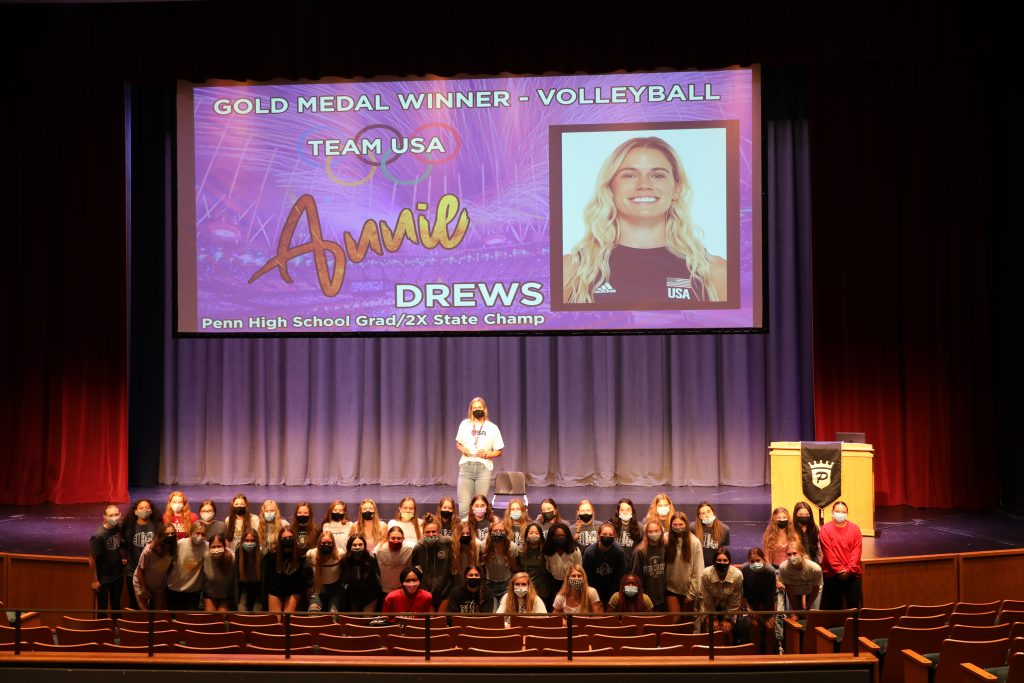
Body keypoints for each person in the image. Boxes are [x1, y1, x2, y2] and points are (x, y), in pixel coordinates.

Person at [562, 135, 727, 305]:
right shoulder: (572, 270)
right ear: (610, 188)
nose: (644, 184)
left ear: (677, 189)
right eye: (629, 175)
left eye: (657, 175)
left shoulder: (716, 273)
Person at [455, 396, 504, 519]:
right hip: (466, 468)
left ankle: (478, 534)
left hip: (483, 469)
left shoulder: (492, 427)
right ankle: (465, 535)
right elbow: (458, 443)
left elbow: (499, 451)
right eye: (475, 408)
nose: (477, 410)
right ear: (471, 410)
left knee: (480, 506)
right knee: (464, 506)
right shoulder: (464, 424)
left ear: (484, 409)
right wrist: (462, 449)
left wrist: (487, 454)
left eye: (480, 407)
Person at [818, 501, 863, 609]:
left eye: (843, 512)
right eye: (837, 511)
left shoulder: (855, 529)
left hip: (852, 574)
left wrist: (848, 570)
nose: (840, 514)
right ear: (832, 512)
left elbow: (857, 552)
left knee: (854, 608)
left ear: (847, 513)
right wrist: (839, 570)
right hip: (832, 574)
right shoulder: (825, 529)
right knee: (832, 609)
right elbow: (828, 553)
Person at [697, 547, 744, 643]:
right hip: (709, 608)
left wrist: (727, 619)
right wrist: (713, 618)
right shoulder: (706, 574)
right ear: (714, 562)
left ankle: (728, 653)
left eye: (725, 560)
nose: (722, 562)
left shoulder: (737, 576)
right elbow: (706, 599)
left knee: (727, 630)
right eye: (719, 560)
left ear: (729, 562)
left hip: (729, 610)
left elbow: (735, 601)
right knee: (711, 628)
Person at [665, 511, 703, 619]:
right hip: (671, 589)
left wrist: (692, 594)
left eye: (681, 524)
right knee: (675, 621)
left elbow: (698, 570)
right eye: (675, 525)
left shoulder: (695, 542)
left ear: (686, 525)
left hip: (688, 591)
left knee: (687, 624)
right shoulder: (666, 539)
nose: (678, 527)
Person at [89, 504, 125, 619]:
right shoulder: (99, 535)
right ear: (104, 517)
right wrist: (94, 580)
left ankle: (117, 631)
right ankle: (102, 632)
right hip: (103, 577)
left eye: (116, 515)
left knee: (116, 604)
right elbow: (92, 559)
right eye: (111, 515)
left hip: (117, 575)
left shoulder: (118, 528)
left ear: (120, 515)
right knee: (102, 607)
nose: (114, 517)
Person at [740, 547, 778, 654]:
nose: (755, 563)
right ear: (748, 561)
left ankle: (770, 655)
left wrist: (769, 616)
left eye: (758, 560)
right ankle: (755, 654)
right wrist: (752, 610)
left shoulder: (770, 571)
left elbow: (771, 596)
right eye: (752, 561)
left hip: (768, 605)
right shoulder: (745, 569)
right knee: (754, 625)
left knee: (769, 627)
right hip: (752, 605)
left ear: (763, 560)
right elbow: (746, 593)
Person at [411, 515, 454, 609]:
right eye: (427, 532)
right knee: (431, 620)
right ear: (423, 532)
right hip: (426, 592)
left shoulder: (448, 543)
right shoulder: (418, 547)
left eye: (433, 531)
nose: (431, 534)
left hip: (445, 591)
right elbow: (416, 569)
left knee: (440, 620)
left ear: (439, 532)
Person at [166, 520, 208, 611]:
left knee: (189, 620)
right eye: (197, 533)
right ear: (191, 532)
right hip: (175, 587)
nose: (200, 536)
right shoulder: (180, 543)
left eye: (203, 534)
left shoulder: (207, 546)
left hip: (193, 591)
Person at [132, 523, 176, 611]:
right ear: (161, 535)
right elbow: (140, 571)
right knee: (145, 613)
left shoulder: (173, 549)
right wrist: (143, 589)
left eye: (172, 533)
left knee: (158, 613)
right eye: (167, 534)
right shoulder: (148, 550)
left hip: (158, 585)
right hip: (141, 585)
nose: (170, 536)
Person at [262, 527, 305, 615]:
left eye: (290, 537)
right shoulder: (272, 553)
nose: (288, 540)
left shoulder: (301, 552)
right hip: (275, 587)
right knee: (275, 620)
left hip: (294, 588)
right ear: (280, 540)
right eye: (285, 538)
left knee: (287, 619)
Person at [121, 498, 155, 610]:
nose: (144, 510)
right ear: (135, 511)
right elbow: (124, 547)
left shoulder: (157, 527)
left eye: (147, 508)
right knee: (136, 604)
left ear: (151, 511)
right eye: (141, 508)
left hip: (151, 573)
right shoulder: (128, 528)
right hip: (132, 572)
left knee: (152, 604)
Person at [581, 522, 626, 606]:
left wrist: (613, 597)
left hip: (612, 591)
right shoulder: (589, 553)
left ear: (614, 537)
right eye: (604, 534)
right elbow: (588, 577)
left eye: (610, 534)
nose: (607, 536)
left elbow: (619, 576)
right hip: (594, 591)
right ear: (598, 535)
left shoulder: (619, 552)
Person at [339, 533, 381, 612]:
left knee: (366, 617)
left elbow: (377, 577)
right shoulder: (345, 559)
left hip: (370, 592)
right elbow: (343, 577)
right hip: (354, 592)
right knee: (355, 618)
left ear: (364, 545)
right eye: (354, 545)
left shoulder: (371, 557)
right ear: (350, 546)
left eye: (360, 544)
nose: (357, 547)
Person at [518, 522, 555, 610]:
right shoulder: (520, 551)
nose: (533, 535)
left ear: (541, 535)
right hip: (525, 589)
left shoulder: (546, 551)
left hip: (543, 590)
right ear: (526, 536)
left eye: (536, 533)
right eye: (531, 533)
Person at [632, 519, 668, 610]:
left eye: (656, 531)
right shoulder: (639, 551)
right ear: (646, 533)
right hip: (646, 599)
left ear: (661, 531)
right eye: (650, 531)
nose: (654, 534)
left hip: (663, 597)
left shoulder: (665, 548)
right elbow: (635, 576)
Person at [777, 541, 822, 613]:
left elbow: (815, 589)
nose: (792, 557)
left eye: (795, 553)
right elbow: (789, 590)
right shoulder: (784, 567)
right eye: (789, 554)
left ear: (802, 553)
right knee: (794, 616)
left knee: (811, 615)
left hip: (811, 592)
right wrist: (796, 611)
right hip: (794, 593)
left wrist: (808, 606)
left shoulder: (815, 568)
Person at [480, 520, 518, 601]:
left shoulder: (512, 547)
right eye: (495, 530)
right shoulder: (483, 545)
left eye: (501, 531)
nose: (498, 532)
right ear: (490, 533)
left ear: (506, 532)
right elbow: (481, 566)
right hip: (489, 584)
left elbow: (514, 568)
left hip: (506, 585)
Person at [308, 530, 344, 612]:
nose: (326, 545)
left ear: (333, 543)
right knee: (313, 613)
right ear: (319, 543)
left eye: (329, 543)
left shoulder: (340, 554)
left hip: (335, 591)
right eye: (323, 543)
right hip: (317, 590)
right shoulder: (311, 554)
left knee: (333, 615)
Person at [375, 526, 414, 594]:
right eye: (393, 538)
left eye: (399, 538)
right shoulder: (379, 549)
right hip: (383, 589)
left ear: (403, 539)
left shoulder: (409, 550)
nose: (396, 541)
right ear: (388, 538)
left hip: (401, 589)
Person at [691, 501, 731, 569]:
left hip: (715, 567)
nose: (707, 515)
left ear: (713, 512)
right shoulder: (692, 528)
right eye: (703, 513)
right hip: (697, 566)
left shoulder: (725, 529)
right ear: (699, 516)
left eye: (708, 511)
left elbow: (723, 550)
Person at [202, 532, 235, 611]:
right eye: (213, 547)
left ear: (224, 546)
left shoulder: (232, 557)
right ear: (209, 547)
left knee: (222, 615)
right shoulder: (206, 557)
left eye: (219, 546)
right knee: (211, 617)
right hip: (210, 594)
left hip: (226, 595)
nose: (216, 549)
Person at [543, 522, 581, 588]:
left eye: (562, 536)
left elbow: (579, 568)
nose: (560, 538)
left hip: (571, 583)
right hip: (554, 583)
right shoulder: (548, 552)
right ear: (551, 537)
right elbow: (548, 569)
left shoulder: (575, 550)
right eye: (556, 536)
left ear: (567, 536)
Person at [235, 528, 264, 611]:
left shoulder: (262, 554)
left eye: (252, 540)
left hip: (259, 589)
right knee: (241, 611)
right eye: (247, 540)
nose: (249, 543)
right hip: (244, 588)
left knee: (257, 612)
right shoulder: (238, 553)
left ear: (257, 542)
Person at [610, 498, 643, 567]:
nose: (625, 512)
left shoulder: (640, 527)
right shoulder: (611, 526)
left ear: (632, 512)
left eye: (628, 510)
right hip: (615, 565)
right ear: (618, 512)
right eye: (622, 510)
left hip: (633, 565)